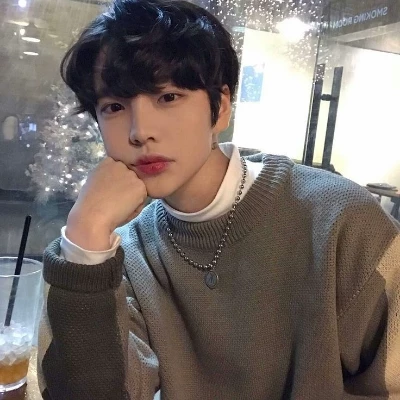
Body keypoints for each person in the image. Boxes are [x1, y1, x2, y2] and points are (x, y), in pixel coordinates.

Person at [37, 0, 400, 399]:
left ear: (221, 107)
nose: (140, 131)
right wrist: (85, 236)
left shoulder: (339, 219)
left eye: (168, 97)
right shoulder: (116, 252)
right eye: (115, 107)